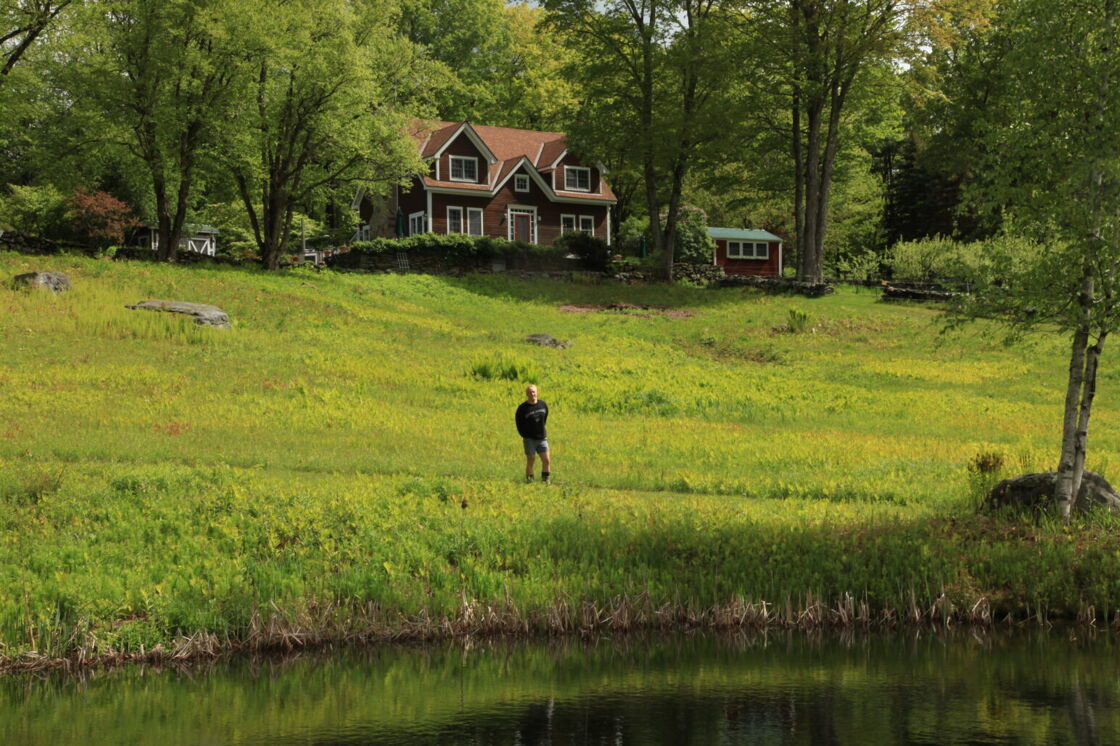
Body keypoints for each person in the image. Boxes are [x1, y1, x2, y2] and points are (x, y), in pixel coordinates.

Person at [515, 383, 550, 484]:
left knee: (546, 460)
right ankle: (530, 481)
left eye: (534, 392)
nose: (532, 394)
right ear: (527, 394)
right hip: (529, 439)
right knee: (531, 460)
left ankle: (546, 481)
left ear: (537, 392)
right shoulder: (522, 408)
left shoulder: (543, 405)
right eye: (530, 392)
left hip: (542, 438)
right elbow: (519, 423)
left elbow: (545, 419)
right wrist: (525, 435)